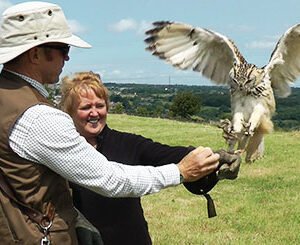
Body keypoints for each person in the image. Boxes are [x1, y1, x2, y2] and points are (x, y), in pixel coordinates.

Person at [0, 2, 229, 244]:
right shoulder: (38, 117)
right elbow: (109, 180)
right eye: (62, 47)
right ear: (35, 53)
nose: (67, 56)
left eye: (99, 105)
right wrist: (180, 172)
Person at [59, 71, 241, 245]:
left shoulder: (127, 143)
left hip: (130, 238)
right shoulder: (60, 151)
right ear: (70, 112)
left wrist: (216, 158)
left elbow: (168, 154)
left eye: (100, 105)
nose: (94, 113)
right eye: (85, 107)